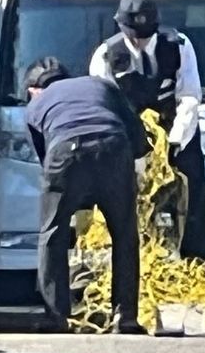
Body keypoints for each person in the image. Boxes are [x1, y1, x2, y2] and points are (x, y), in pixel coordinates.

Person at [89, 0, 205, 267]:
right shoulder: (106, 56)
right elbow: (104, 108)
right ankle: (132, 266)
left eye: (145, 36)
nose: (139, 41)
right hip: (128, 138)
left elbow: (189, 97)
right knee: (127, 204)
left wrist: (174, 141)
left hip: (177, 135)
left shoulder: (179, 46)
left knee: (193, 199)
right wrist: (135, 150)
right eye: (133, 35)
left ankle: (197, 264)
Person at [25, 58, 149, 334]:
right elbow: (137, 133)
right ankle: (125, 316)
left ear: (34, 89)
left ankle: (56, 316)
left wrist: (75, 196)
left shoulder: (34, 106)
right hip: (114, 147)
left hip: (65, 152)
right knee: (125, 234)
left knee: (52, 233)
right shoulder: (99, 85)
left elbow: (46, 161)